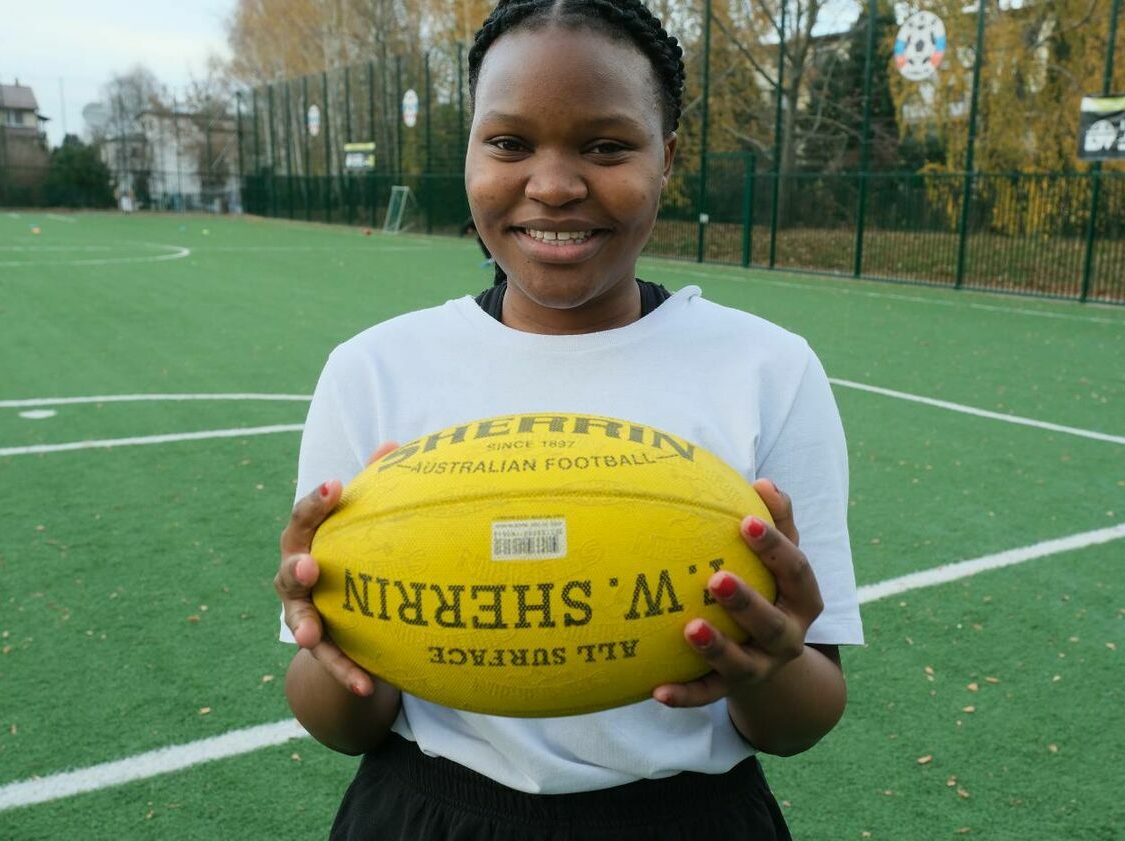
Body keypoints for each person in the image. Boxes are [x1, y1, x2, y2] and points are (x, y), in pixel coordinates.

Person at [274, 1, 863, 838]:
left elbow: (803, 715)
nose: (552, 186)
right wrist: (330, 639)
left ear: (669, 157)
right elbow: (336, 720)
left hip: (689, 817)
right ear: (470, 149)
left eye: (607, 146)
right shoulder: (373, 369)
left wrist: (767, 665)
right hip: (428, 809)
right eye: (509, 143)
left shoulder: (766, 367)